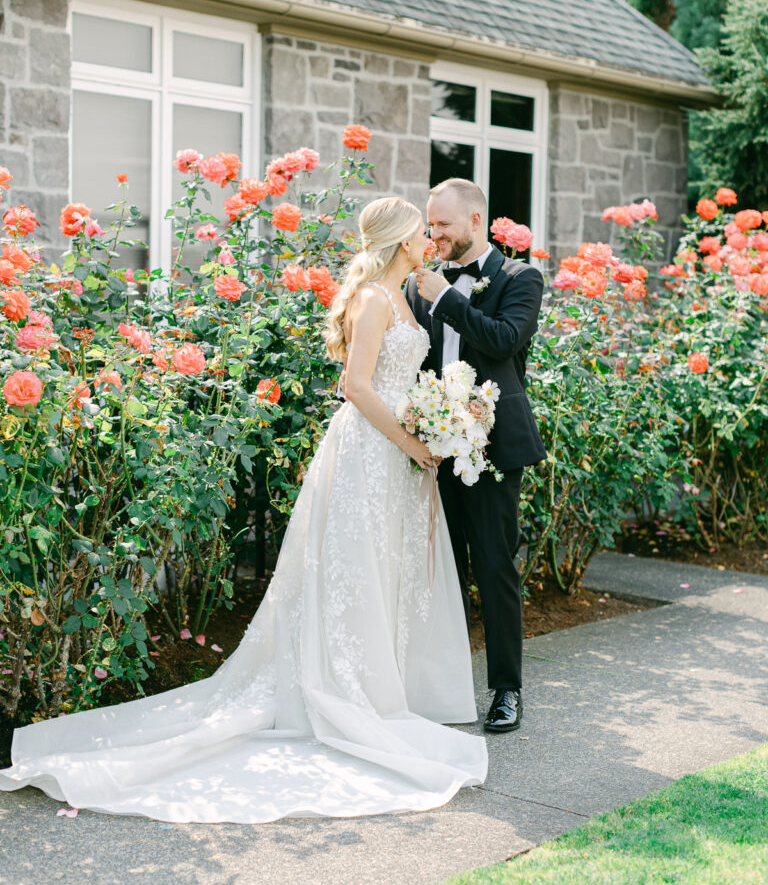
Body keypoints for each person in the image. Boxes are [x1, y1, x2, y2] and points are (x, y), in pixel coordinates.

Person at [0, 196, 487, 824]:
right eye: (421, 232)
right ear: (399, 241)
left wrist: (441, 420)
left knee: (384, 568)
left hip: (399, 455)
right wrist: (412, 439)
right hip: (371, 449)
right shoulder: (371, 301)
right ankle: (348, 691)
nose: (431, 239)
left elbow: (400, 380)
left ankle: (380, 685)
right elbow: (357, 387)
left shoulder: (407, 299)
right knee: (356, 566)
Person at [406, 178, 546, 734]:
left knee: (494, 567)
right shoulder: (421, 285)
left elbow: (504, 340)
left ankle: (507, 689)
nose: (433, 233)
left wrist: (447, 297)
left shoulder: (520, 277)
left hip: (493, 448)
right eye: (429, 224)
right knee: (443, 570)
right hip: (433, 448)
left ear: (476, 221)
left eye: (442, 224)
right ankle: (448, 687)